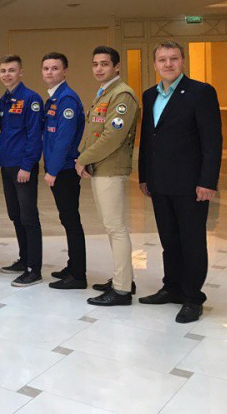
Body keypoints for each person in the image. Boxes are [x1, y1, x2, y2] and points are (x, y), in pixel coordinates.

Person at [138, 41, 222, 323]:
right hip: (159, 182)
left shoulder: (201, 92)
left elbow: (212, 141)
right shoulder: (150, 95)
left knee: (192, 242)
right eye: (162, 59)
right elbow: (148, 139)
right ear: (155, 64)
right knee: (169, 239)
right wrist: (144, 176)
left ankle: (193, 297)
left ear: (182, 61)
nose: (168, 64)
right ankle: (172, 287)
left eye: (173, 58)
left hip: (191, 185)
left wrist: (207, 181)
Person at [76, 46, 139, 306]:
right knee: (112, 227)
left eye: (104, 64)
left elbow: (113, 136)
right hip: (100, 168)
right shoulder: (105, 93)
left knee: (116, 228)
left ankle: (122, 290)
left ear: (117, 67)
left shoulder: (122, 95)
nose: (99, 68)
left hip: (111, 169)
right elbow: (94, 131)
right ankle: (123, 279)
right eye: (95, 64)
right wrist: (86, 157)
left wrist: (83, 158)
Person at [41, 53, 87, 291]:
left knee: (71, 220)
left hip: (65, 170)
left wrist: (53, 170)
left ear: (65, 71)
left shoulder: (67, 99)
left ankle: (78, 275)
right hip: (59, 168)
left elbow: (64, 139)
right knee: (67, 219)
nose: (50, 72)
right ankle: (73, 266)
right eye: (46, 68)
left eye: (55, 68)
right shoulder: (54, 99)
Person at [0, 54, 44, 287]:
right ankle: (23, 259)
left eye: (11, 70)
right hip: (7, 165)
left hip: (23, 167)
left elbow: (35, 135)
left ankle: (34, 269)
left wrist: (27, 165)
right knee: (15, 215)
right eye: (3, 71)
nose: (7, 75)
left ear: (21, 72)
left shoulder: (31, 99)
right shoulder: (4, 100)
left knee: (28, 217)